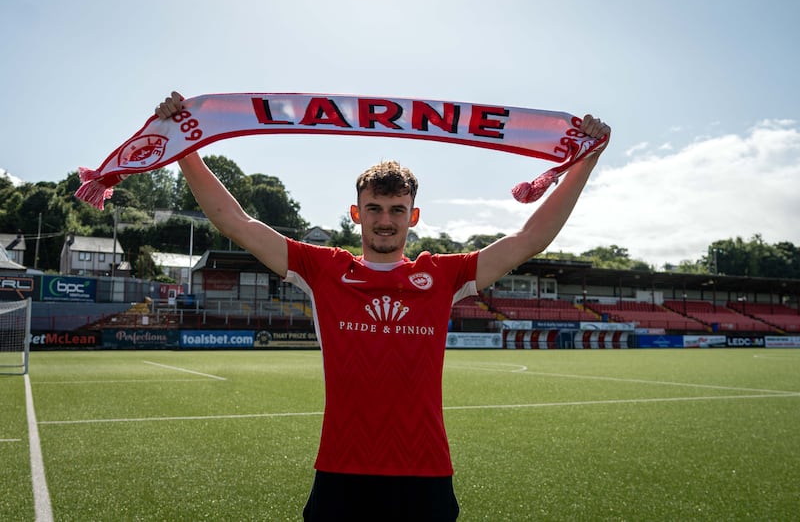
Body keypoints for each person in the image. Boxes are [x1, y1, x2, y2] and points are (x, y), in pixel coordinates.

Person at [156, 91, 610, 521]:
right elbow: (235, 221)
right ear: (356, 213)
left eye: (396, 209)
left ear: (413, 215)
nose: (385, 220)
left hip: (425, 475)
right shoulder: (323, 269)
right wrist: (184, 146)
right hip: (341, 473)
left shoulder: (443, 275)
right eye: (374, 208)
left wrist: (584, 163)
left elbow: (530, 239)